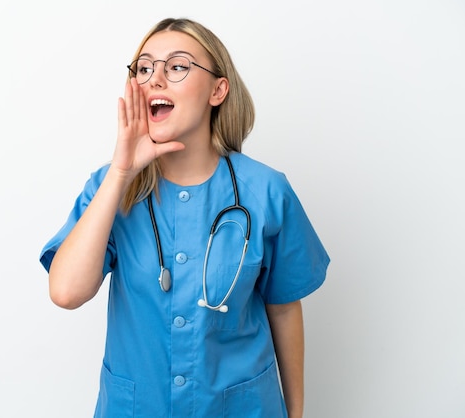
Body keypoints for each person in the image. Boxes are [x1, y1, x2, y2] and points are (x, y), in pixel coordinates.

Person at [39, 17, 330, 418]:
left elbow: (283, 307)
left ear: (217, 90)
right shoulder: (109, 187)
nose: (155, 78)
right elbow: (66, 292)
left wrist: (296, 414)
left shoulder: (265, 191)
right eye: (144, 68)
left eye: (176, 66)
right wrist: (122, 172)